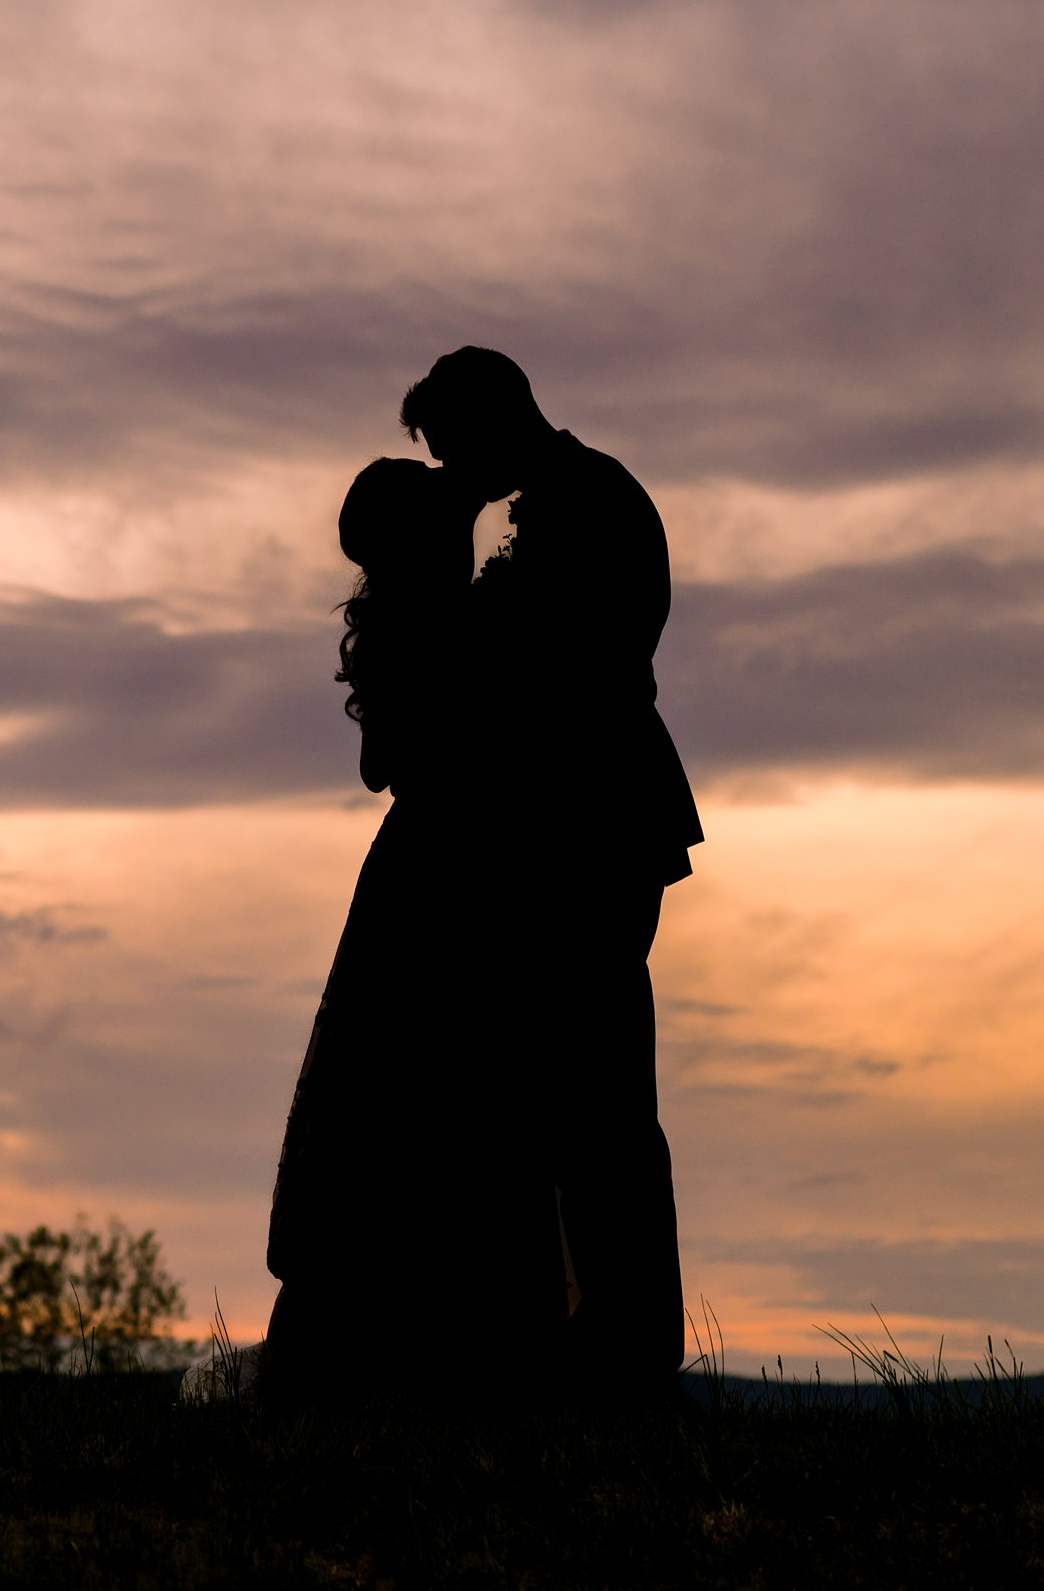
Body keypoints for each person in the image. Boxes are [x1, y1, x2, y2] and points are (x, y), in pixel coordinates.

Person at [401, 346, 703, 1394]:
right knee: (566, 1084)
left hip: (596, 817)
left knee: (601, 1089)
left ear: (489, 423)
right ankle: (585, 1335)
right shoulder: (572, 498)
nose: (450, 475)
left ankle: (626, 1345)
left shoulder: (588, 505)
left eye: (451, 450)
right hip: (575, 817)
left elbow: (543, 662)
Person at [260, 458, 569, 1404]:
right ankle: (475, 1344)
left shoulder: (402, 624)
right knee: (465, 1091)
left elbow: (376, 764)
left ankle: (379, 1342)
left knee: (394, 1087)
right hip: (470, 870)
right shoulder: (470, 621)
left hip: (425, 864)